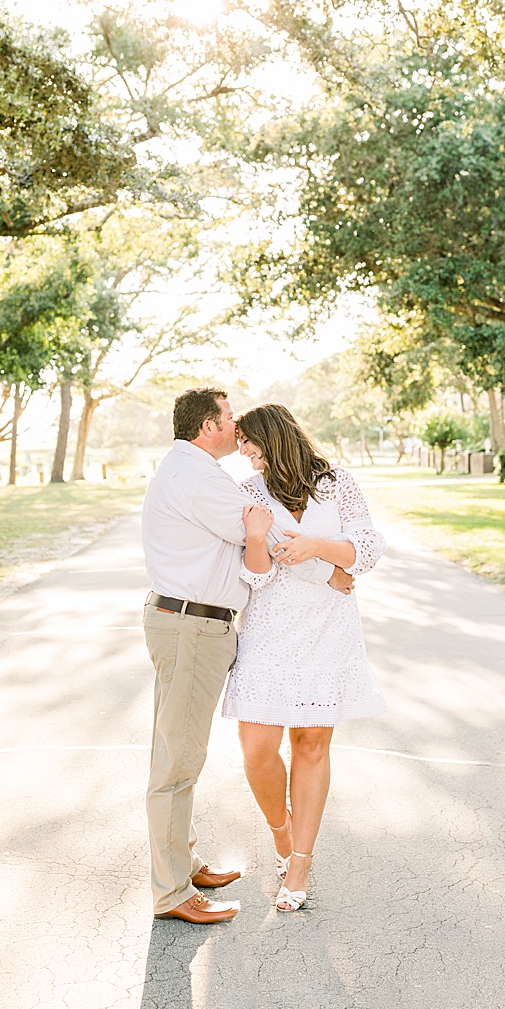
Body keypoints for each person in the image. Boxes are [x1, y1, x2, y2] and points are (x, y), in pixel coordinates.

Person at [223, 402, 386, 912]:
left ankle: (300, 864)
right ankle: (280, 833)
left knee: (312, 744)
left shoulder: (336, 483)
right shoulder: (247, 493)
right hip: (268, 631)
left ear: (274, 438)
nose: (243, 450)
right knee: (256, 748)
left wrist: (318, 546)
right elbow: (255, 572)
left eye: (249, 441)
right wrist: (310, 558)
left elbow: (369, 548)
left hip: (327, 630)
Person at [138, 387, 255, 924]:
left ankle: (183, 865)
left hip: (187, 623)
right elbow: (255, 527)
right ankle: (173, 893)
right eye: (230, 418)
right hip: (191, 626)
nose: (237, 425)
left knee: (178, 751)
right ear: (208, 425)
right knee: (177, 762)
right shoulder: (197, 476)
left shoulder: (191, 469)